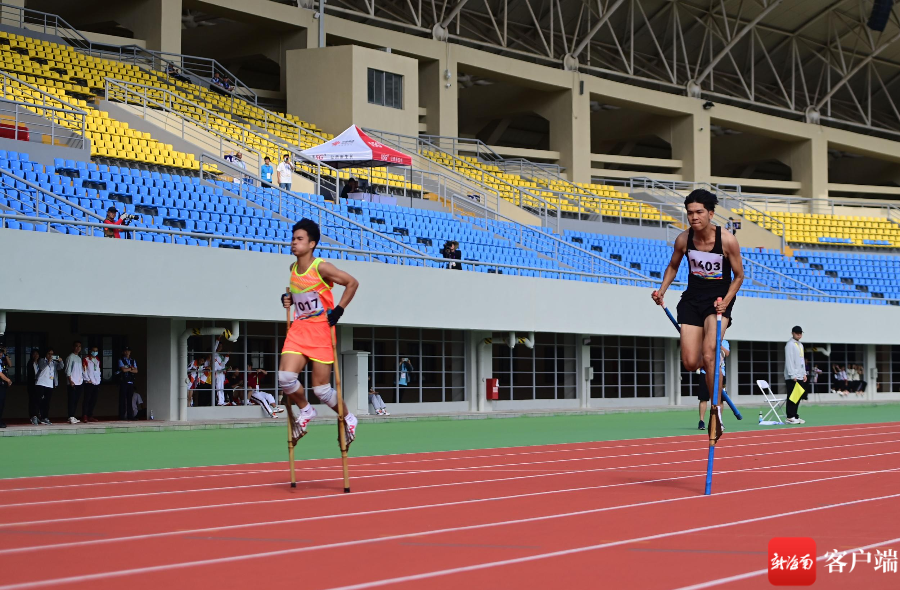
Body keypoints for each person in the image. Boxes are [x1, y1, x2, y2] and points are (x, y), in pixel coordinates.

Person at [652, 189, 744, 442]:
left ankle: (716, 411)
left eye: (699, 212)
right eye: (690, 212)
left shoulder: (726, 240)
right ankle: (715, 364)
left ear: (711, 213)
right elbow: (673, 266)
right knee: (692, 363)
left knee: (709, 352)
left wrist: (725, 301)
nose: (694, 217)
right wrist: (662, 291)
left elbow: (739, 276)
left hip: (717, 303)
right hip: (692, 300)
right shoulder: (684, 239)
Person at [279, 218, 360, 445]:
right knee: (285, 377)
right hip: (299, 329)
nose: (294, 243)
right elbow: (300, 296)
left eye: (299, 239)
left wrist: (340, 309)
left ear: (312, 244)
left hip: (321, 331)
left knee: (322, 390)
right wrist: (289, 299)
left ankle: (349, 418)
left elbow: (352, 283)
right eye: (293, 238)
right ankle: (306, 410)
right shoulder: (293, 268)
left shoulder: (321, 267)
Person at [696, 339, 729, 430]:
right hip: (705, 373)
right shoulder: (706, 341)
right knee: (704, 398)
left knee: (721, 399)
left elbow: (727, 353)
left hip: (720, 374)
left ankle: (719, 421)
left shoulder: (725, 342)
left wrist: (720, 345)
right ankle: (701, 421)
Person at [784, 326, 807, 424]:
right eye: (797, 333)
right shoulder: (790, 345)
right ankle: (790, 416)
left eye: (800, 333)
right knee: (792, 396)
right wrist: (792, 374)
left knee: (797, 396)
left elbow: (801, 360)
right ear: (792, 333)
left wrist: (804, 373)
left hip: (800, 374)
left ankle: (795, 415)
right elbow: (789, 360)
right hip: (792, 376)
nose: (799, 335)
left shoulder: (800, 345)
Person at [35, 348, 64, 425]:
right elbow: (41, 367)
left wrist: (60, 361)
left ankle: (45, 417)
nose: (51, 355)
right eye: (49, 354)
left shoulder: (54, 363)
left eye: (52, 354)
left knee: (47, 402)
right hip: (41, 383)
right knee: (39, 400)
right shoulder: (42, 360)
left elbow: (60, 367)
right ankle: (36, 416)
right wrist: (48, 361)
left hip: (50, 384)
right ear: (46, 354)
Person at [64, 341, 84, 424]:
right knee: (71, 400)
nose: (78, 348)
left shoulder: (79, 358)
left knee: (76, 400)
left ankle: (72, 416)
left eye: (79, 346)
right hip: (72, 382)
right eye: (76, 346)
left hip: (79, 382)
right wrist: (70, 380)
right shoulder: (70, 357)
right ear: (73, 347)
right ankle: (70, 416)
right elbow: (67, 370)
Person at [82, 345, 101, 422]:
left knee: (93, 400)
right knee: (87, 399)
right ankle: (85, 415)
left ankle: (90, 415)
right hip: (89, 382)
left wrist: (99, 380)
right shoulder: (86, 359)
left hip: (96, 383)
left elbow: (98, 370)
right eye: (94, 350)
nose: (95, 352)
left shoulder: (97, 360)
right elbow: (84, 370)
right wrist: (87, 379)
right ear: (90, 351)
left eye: (96, 351)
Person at [118, 347, 138, 420]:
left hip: (131, 382)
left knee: (130, 400)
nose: (127, 352)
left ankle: (130, 416)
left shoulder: (133, 360)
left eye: (128, 351)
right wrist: (131, 369)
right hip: (124, 382)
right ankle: (122, 416)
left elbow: (136, 371)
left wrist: (129, 369)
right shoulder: (121, 360)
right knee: (122, 399)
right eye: (125, 351)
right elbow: (123, 369)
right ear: (123, 352)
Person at [27, 349, 41, 424]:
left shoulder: (40, 363)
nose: (36, 356)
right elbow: (30, 375)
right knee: (32, 400)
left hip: (39, 384)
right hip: (32, 385)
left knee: (38, 400)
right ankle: (32, 416)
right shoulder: (30, 363)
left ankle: (38, 416)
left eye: (37, 354)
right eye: (34, 354)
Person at [0, 347, 11, 428]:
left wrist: (6, 354)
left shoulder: (1, 360)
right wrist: (8, 380)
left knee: (2, 404)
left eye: (2, 352)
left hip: (2, 385)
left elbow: (10, 364)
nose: (1, 354)